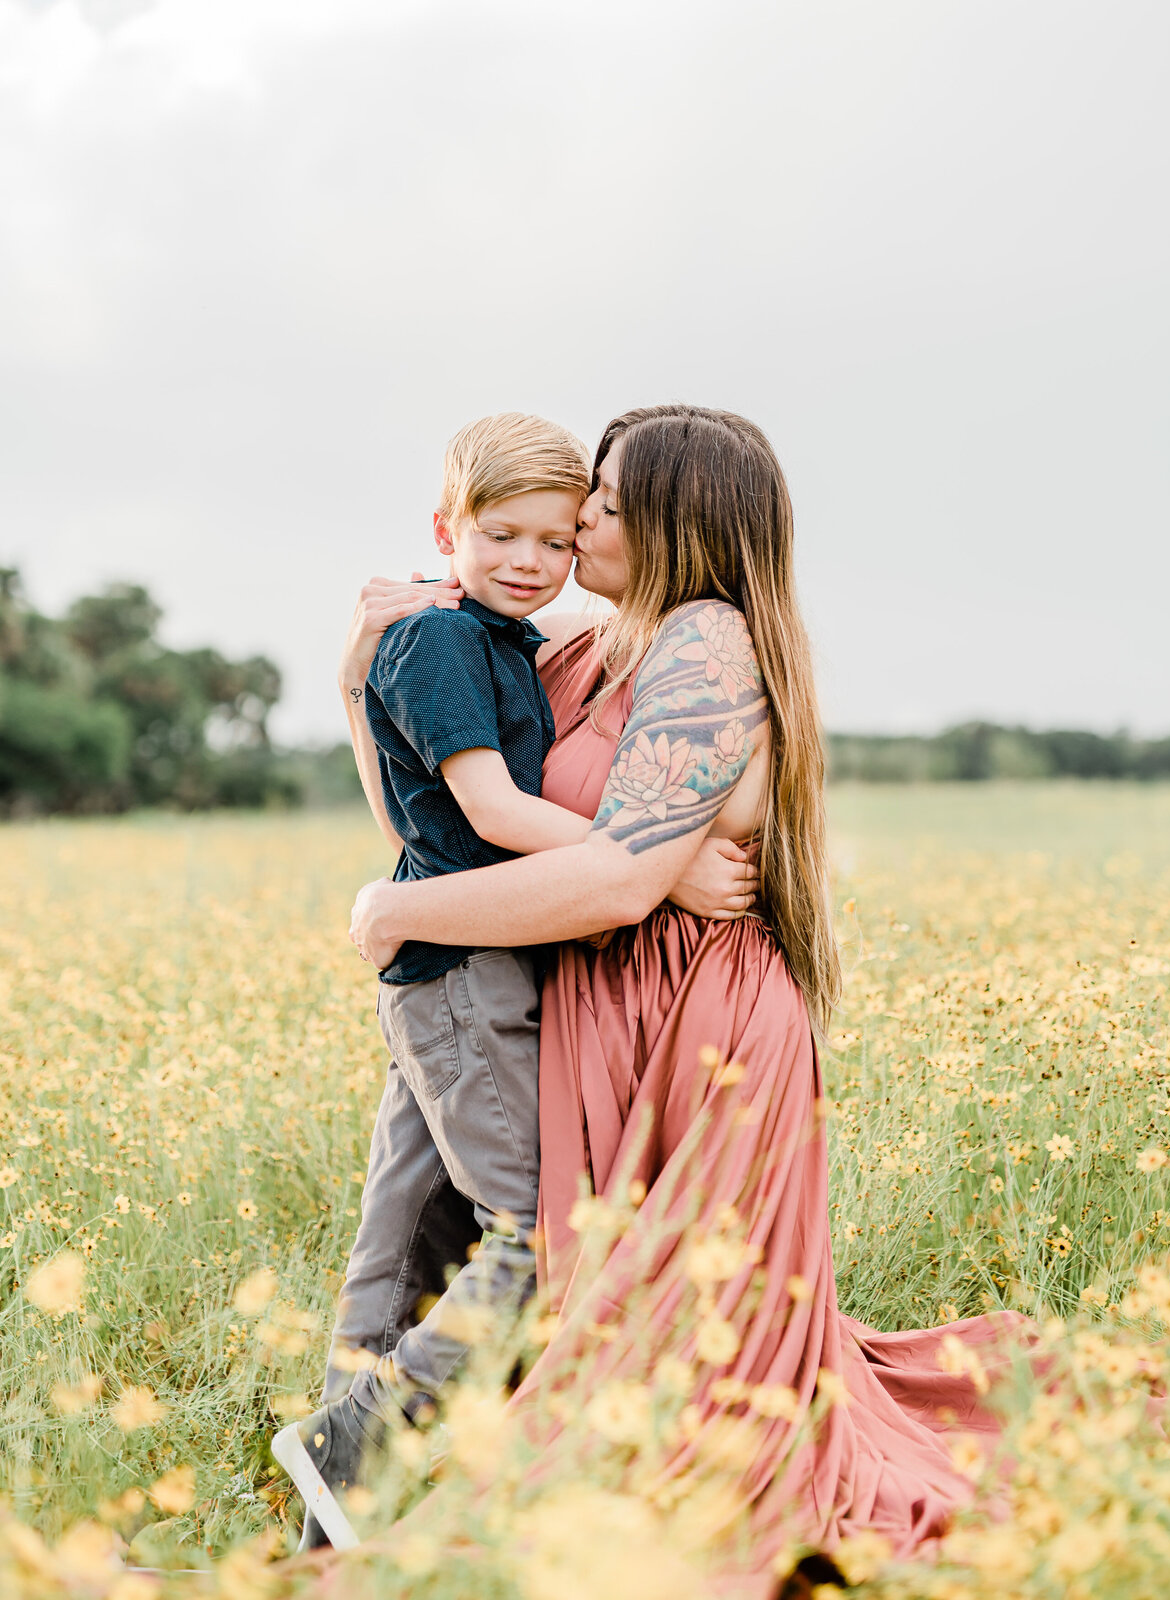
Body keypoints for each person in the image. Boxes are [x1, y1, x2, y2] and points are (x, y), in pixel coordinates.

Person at [346, 405, 1027, 1584]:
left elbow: (616, 878)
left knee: (667, 1351)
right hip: (595, 1000)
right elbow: (442, 803)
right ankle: (366, 1463)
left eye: (603, 505)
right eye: (576, 509)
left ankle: (374, 1459)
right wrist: (360, 663)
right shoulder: (583, 638)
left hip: (694, 1025)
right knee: (507, 1262)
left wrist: (392, 913)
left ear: (675, 520)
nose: (578, 527)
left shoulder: (705, 642)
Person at [275, 412, 753, 1553]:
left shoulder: (503, 636)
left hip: (466, 963)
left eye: (558, 533)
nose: (537, 559)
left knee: (405, 1237)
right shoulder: (440, 640)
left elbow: (418, 797)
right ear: (449, 530)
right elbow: (479, 813)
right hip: (466, 970)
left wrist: (353, 682)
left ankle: (324, 1530)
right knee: (539, 1232)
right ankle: (355, 1439)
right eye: (504, 536)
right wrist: (663, 859)